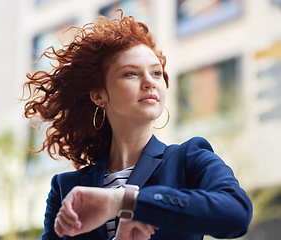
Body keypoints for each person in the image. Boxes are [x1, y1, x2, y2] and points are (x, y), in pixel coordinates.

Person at [23, 11, 252, 240]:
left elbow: (237, 213)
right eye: (131, 73)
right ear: (99, 95)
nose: (149, 82)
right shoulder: (66, 189)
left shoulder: (189, 159)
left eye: (156, 73)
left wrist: (124, 202)